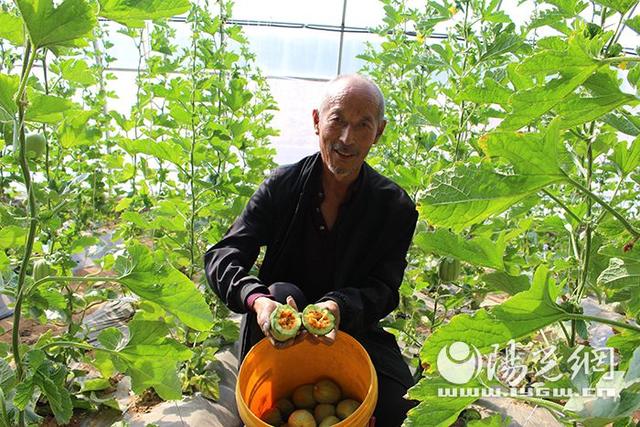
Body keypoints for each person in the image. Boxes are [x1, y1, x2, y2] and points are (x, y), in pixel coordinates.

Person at [204, 74, 418, 426]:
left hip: (354, 329)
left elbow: (384, 288)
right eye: (337, 120)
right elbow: (223, 256)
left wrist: (339, 306)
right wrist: (257, 300)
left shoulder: (395, 207)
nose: (347, 138)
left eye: (362, 125)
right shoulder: (282, 186)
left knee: (401, 409)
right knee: (279, 291)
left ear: (378, 132)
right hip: (277, 334)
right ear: (317, 121)